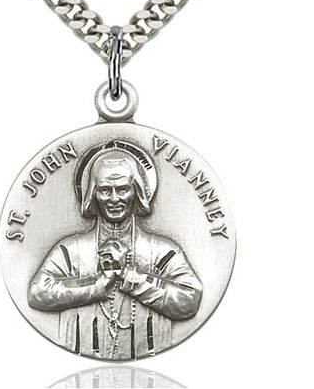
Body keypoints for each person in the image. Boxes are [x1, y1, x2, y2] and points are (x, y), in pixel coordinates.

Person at [28, 148, 202, 359]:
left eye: (122, 189)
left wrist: (131, 278)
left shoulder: (162, 251)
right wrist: (95, 285)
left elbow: (190, 299)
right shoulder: (71, 251)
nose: (114, 199)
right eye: (105, 190)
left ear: (136, 191)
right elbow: (37, 293)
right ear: (93, 193)